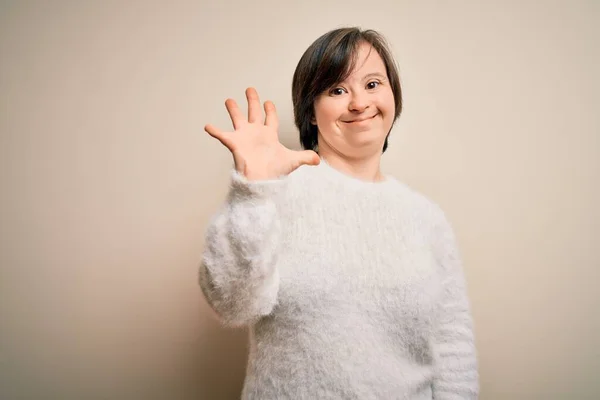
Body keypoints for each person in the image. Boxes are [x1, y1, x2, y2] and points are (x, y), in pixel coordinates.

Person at [199, 27, 479, 399]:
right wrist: (253, 192)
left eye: (373, 84)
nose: (359, 103)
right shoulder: (274, 192)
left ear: (393, 96)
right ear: (311, 113)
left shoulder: (426, 218)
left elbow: (453, 350)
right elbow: (231, 303)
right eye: (337, 90)